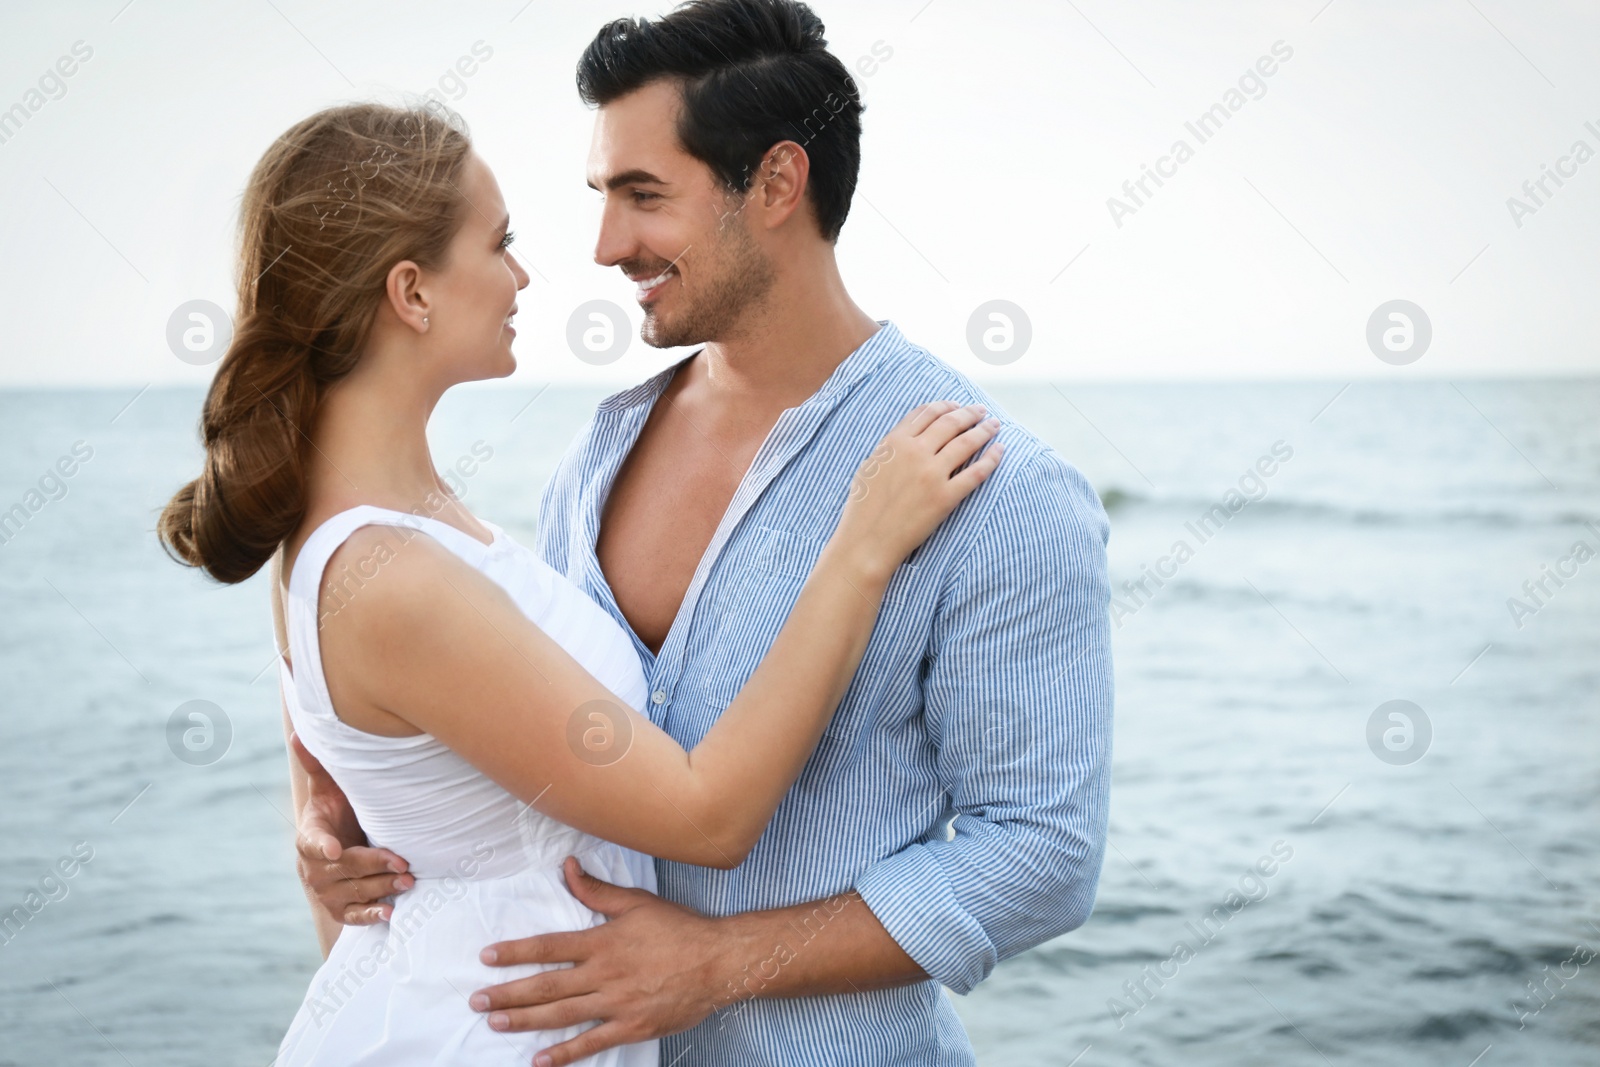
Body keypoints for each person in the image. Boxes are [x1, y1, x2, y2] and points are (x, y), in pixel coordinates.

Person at [293, 1, 1114, 1064]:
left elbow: (1041, 854)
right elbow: (524, 734)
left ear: (775, 184)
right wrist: (344, 812)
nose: (604, 245)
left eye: (644, 197)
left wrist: (726, 960)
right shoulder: (598, 455)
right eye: (601, 196)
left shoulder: (998, 489)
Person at [157, 101, 1002, 1065]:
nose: (527, 273)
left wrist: (321, 811)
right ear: (411, 292)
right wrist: (861, 546)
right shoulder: (391, 574)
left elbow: (334, 769)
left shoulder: (385, 524)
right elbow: (706, 815)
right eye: (499, 242)